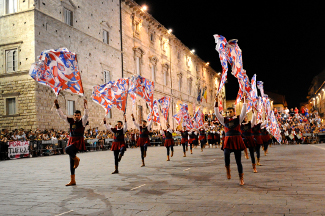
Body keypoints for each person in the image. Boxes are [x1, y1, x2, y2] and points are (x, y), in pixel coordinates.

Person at [54, 99, 88, 186]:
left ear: (80, 116)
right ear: (74, 115)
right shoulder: (71, 121)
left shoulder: (83, 121)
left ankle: (77, 159)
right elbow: (62, 115)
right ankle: (73, 180)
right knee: (71, 161)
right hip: (71, 140)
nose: (76, 116)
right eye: (75, 115)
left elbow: (86, 115)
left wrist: (85, 106)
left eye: (78, 115)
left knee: (67, 149)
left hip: (78, 141)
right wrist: (57, 105)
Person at [214, 98, 247, 186]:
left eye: (230, 112)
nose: (229, 113)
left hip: (236, 140)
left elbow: (244, 112)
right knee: (226, 154)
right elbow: (217, 114)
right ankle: (228, 170)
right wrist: (216, 102)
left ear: (234, 112)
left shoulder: (238, 119)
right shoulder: (224, 120)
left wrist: (244, 102)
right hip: (228, 140)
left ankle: (241, 178)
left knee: (238, 161)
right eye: (227, 112)